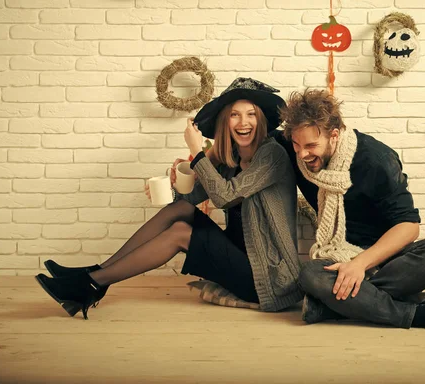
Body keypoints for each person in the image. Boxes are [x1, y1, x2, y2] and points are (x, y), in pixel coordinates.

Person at [35, 78, 304, 319]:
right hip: (242, 256)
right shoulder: (230, 157)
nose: (243, 122)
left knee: (180, 234)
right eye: (234, 115)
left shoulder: (272, 155)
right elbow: (191, 198)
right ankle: (93, 275)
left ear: (261, 120)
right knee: (181, 211)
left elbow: (223, 197)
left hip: (269, 277)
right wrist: (184, 175)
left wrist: (197, 151)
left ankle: (91, 283)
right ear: (225, 122)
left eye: (250, 115)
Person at [270, 88, 425, 332]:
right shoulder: (297, 149)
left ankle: (333, 307)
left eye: (310, 145)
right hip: (338, 255)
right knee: (311, 275)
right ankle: (418, 314)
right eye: (297, 145)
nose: (302, 154)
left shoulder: (376, 159)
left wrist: (360, 265)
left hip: (387, 259)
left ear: (334, 135)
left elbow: (408, 226)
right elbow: (253, 132)